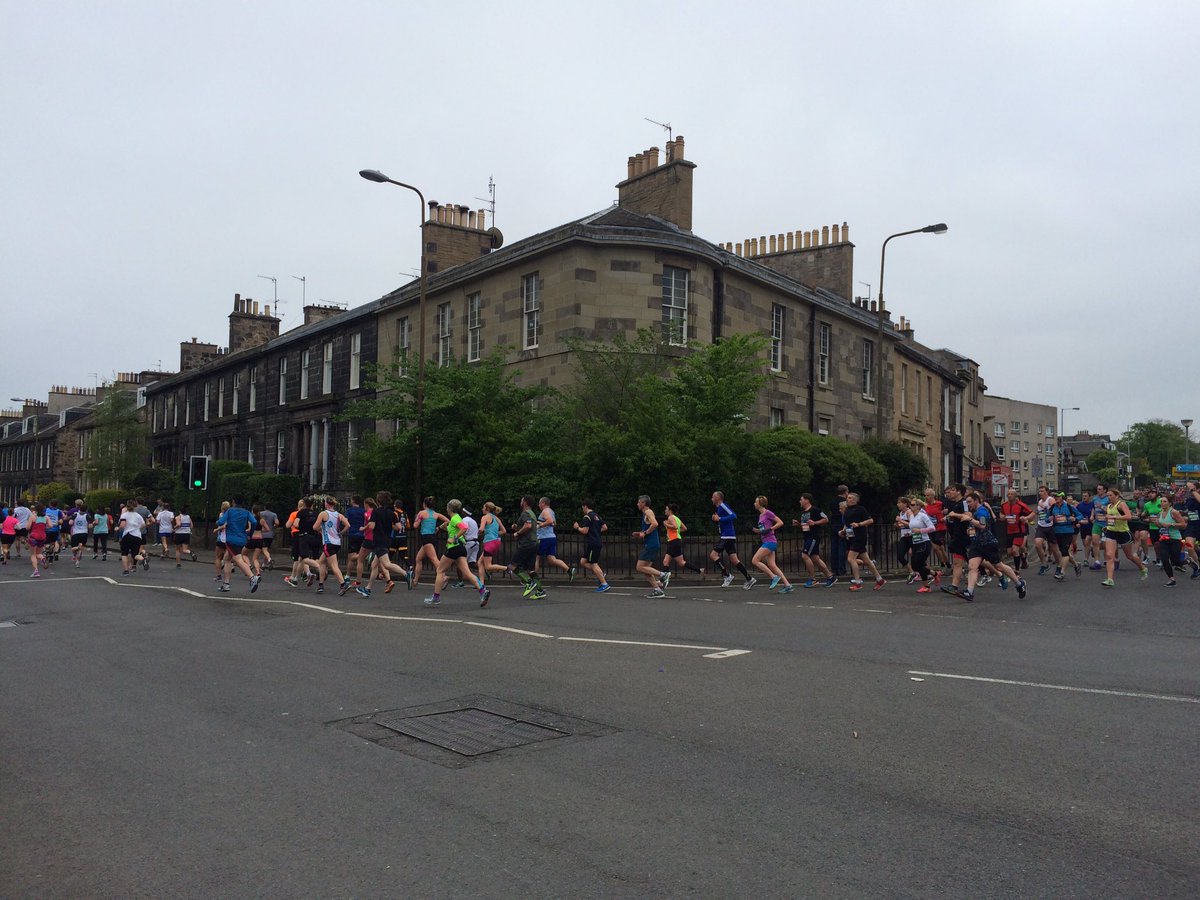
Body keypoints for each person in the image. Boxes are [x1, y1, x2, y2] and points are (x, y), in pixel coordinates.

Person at [959, 492, 1027, 601]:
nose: (968, 504)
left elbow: (982, 525)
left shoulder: (982, 511)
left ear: (976, 501)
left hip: (988, 543)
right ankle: (969, 592)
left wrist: (970, 520)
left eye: (969, 502)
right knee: (972, 566)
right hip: (977, 544)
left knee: (999, 566)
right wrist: (970, 530)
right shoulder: (975, 512)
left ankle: (1019, 584)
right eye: (966, 502)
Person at [424, 499, 490, 609]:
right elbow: (452, 527)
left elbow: (464, 528)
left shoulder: (455, 519)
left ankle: (436, 597)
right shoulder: (456, 518)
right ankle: (483, 591)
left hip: (453, 548)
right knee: (467, 573)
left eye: (446, 507)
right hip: (461, 548)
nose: (446, 508)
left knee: (440, 571)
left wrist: (454, 538)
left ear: (449, 508)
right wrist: (440, 528)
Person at [357, 491, 412, 597]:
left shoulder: (376, 512)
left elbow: (372, 526)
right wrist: (388, 526)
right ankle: (368, 588)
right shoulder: (392, 513)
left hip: (379, 541)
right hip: (387, 540)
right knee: (374, 565)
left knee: (387, 564)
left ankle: (406, 574)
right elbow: (399, 527)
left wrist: (365, 527)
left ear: (378, 501)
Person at [1100, 486, 1149, 587]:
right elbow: (1110, 519)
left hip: (1123, 533)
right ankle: (1110, 579)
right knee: (1109, 555)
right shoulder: (1109, 506)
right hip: (1111, 532)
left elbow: (1129, 516)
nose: (1109, 497)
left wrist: (1114, 517)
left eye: (1111, 495)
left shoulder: (1121, 504)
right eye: (1108, 495)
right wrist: (1107, 521)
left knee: (1129, 556)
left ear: (1117, 496)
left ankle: (1143, 568)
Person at [708, 491, 754, 588]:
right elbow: (722, 521)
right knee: (734, 560)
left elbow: (733, 516)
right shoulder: (719, 508)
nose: (711, 498)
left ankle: (727, 575)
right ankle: (749, 579)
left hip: (727, 536)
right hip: (728, 536)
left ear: (718, 498)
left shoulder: (723, 506)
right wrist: (716, 520)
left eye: (713, 497)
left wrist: (719, 519)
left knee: (713, 555)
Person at [840, 491, 884, 591]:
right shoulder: (846, 510)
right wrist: (842, 531)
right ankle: (879, 579)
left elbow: (870, 520)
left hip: (860, 537)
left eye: (850, 498)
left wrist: (859, 524)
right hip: (851, 537)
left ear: (855, 500)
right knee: (867, 561)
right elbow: (847, 524)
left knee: (851, 559)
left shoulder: (860, 509)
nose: (848, 499)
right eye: (848, 497)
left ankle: (858, 583)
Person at [216, 497, 260, 593]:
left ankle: (252, 577)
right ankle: (226, 584)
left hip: (232, 539)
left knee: (238, 559)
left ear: (233, 502)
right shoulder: (246, 512)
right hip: (242, 539)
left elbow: (221, 522)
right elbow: (254, 522)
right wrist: (250, 533)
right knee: (227, 559)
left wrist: (218, 522)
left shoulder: (230, 511)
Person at [751, 495, 793, 593]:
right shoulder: (760, 515)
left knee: (755, 560)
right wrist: (752, 529)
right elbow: (762, 531)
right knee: (772, 565)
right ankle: (787, 585)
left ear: (760, 503)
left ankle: (773, 577)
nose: (754, 503)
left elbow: (780, 522)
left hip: (770, 541)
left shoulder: (768, 513)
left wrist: (771, 529)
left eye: (755, 502)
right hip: (767, 541)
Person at [792, 494, 836, 587]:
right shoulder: (803, 512)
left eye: (801, 499)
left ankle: (812, 579)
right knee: (815, 558)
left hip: (813, 537)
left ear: (807, 500)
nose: (800, 501)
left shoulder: (815, 510)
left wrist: (815, 522)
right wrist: (799, 524)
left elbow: (826, 519)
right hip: (807, 536)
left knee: (804, 555)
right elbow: (806, 525)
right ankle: (830, 577)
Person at [507, 495, 545, 600]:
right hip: (534, 543)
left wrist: (517, 533)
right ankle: (540, 591)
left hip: (526, 544)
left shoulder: (525, 513)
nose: (520, 502)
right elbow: (530, 525)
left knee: (512, 566)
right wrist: (517, 527)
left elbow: (528, 526)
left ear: (525, 502)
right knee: (531, 569)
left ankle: (528, 582)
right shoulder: (532, 513)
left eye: (521, 500)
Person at [312, 496, 350, 595]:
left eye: (324, 502)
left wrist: (321, 530)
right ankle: (320, 584)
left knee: (334, 566)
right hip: (337, 542)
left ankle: (343, 584)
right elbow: (348, 525)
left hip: (328, 543)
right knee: (321, 562)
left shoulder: (323, 514)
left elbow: (315, 527)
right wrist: (341, 533)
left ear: (326, 504)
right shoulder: (339, 515)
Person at [633, 495, 669, 597]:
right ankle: (657, 590)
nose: (637, 504)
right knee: (646, 569)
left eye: (639, 502)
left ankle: (663, 575)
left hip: (652, 544)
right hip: (651, 543)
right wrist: (640, 533)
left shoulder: (648, 512)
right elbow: (650, 527)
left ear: (644, 503)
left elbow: (655, 524)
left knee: (640, 567)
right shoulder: (646, 513)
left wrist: (645, 533)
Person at [573, 499, 610, 592]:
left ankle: (604, 584)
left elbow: (584, 531)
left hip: (592, 543)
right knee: (583, 561)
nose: (582, 509)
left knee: (593, 563)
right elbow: (605, 527)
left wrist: (577, 527)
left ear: (585, 506)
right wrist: (596, 532)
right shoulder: (596, 516)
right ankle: (600, 574)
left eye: (582, 507)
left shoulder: (587, 517)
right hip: (596, 542)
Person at [535, 497, 575, 582]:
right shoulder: (551, 511)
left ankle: (533, 579)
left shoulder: (545, 511)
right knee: (552, 559)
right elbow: (554, 523)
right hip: (551, 537)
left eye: (539, 503)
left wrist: (540, 525)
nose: (538, 505)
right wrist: (545, 523)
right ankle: (569, 570)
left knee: (536, 557)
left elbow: (549, 521)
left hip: (543, 538)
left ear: (543, 503)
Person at [661, 502, 704, 581]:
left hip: (673, 541)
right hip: (675, 541)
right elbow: (684, 528)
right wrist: (677, 532)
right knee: (671, 562)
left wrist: (666, 525)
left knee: (670, 562)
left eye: (666, 509)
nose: (665, 511)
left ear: (670, 510)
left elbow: (675, 526)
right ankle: (699, 570)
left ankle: (663, 580)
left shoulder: (670, 517)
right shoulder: (677, 518)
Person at [410, 497, 447, 588]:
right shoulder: (436, 514)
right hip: (433, 537)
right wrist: (439, 527)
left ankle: (444, 576)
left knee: (434, 559)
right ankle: (415, 581)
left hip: (426, 537)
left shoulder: (421, 513)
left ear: (424, 504)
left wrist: (418, 519)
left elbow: (415, 525)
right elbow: (447, 521)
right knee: (418, 558)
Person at [1153, 496, 1188, 586]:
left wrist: (1171, 524)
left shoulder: (1174, 512)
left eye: (1164, 501)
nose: (1162, 503)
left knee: (1175, 561)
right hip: (1164, 539)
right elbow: (1161, 526)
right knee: (1164, 559)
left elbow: (1183, 525)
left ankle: (1188, 561)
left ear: (1170, 503)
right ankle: (1171, 579)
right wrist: (1157, 524)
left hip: (1175, 538)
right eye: (1161, 501)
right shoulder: (1160, 512)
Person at [1049, 492, 1083, 580]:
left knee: (1064, 552)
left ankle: (1062, 572)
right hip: (1057, 531)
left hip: (1068, 531)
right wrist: (1049, 519)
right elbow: (1046, 517)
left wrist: (1075, 519)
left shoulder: (1068, 506)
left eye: (1058, 497)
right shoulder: (1053, 507)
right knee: (1064, 552)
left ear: (1062, 498)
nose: (1056, 498)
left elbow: (1080, 515)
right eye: (1055, 497)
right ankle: (1076, 565)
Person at [907, 497, 937, 592]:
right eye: (910, 504)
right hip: (915, 542)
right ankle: (934, 574)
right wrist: (910, 534)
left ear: (918, 506)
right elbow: (913, 530)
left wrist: (920, 530)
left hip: (924, 543)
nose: (910, 506)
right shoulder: (911, 516)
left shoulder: (922, 515)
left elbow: (932, 528)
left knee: (917, 565)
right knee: (916, 565)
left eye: (912, 505)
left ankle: (926, 586)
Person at [476, 501, 508, 585]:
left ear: (487, 508)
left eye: (483, 507)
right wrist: (494, 534)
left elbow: (481, 529)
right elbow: (504, 531)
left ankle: (507, 568)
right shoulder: (496, 518)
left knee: (488, 566)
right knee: (480, 562)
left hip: (489, 543)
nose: (482, 509)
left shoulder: (485, 517)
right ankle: (481, 584)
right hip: (496, 542)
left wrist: (476, 533)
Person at [1000, 488, 1032, 571]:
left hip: (1019, 531)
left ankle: (1017, 570)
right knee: (1010, 552)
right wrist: (1002, 517)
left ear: (1015, 496)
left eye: (1012, 494)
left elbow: (1032, 513)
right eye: (1008, 494)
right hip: (1009, 531)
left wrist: (1025, 518)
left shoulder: (1021, 505)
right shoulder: (1004, 505)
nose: (1010, 495)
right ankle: (1023, 558)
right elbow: (1001, 514)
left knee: (1015, 550)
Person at [118, 500, 149, 577]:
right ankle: (142, 559)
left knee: (124, 553)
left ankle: (126, 571)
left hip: (127, 535)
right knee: (135, 554)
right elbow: (143, 524)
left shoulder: (124, 515)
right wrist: (137, 527)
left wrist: (117, 528)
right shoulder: (138, 516)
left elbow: (122, 525)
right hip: (137, 536)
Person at [923, 487, 949, 571]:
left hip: (940, 528)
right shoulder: (925, 506)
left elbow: (948, 512)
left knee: (935, 547)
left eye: (928, 495)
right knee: (940, 548)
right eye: (925, 495)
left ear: (932, 496)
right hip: (931, 529)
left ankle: (943, 564)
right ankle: (946, 563)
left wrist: (944, 515)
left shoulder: (940, 503)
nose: (926, 497)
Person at [345, 496, 367, 582]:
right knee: (359, 560)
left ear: (353, 501)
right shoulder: (363, 511)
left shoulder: (349, 510)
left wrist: (342, 531)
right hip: (362, 534)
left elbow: (346, 521)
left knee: (351, 557)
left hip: (353, 534)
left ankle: (347, 576)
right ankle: (358, 578)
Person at [894, 497, 914, 582]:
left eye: (900, 503)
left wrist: (900, 521)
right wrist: (897, 525)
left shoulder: (909, 512)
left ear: (905, 504)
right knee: (900, 556)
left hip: (911, 536)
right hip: (904, 537)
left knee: (914, 555)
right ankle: (912, 572)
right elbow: (903, 525)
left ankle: (925, 571)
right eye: (898, 503)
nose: (898, 504)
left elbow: (911, 524)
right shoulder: (901, 513)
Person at [27, 504, 49, 577]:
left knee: (33, 555)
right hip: (42, 536)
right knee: (38, 554)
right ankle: (42, 558)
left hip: (34, 536)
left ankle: (36, 571)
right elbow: (50, 526)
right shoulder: (46, 518)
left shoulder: (33, 517)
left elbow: (27, 527)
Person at [68, 503, 90, 568]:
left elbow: (70, 523)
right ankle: (77, 562)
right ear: (86, 510)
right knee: (81, 548)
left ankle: (75, 552)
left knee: (73, 548)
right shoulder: (87, 516)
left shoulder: (75, 514)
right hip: (84, 533)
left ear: (79, 509)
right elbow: (90, 526)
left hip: (75, 533)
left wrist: (73, 523)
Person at [258, 506, 278, 571]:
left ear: (264, 507)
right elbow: (277, 523)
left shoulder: (260, 514)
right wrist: (274, 526)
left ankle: (269, 559)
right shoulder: (274, 514)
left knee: (263, 550)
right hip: (270, 534)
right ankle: (263, 564)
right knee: (267, 549)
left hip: (262, 534)